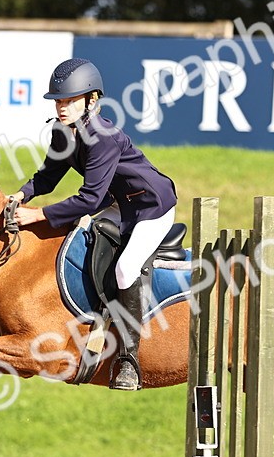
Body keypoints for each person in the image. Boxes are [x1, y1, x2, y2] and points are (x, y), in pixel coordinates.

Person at [10, 58, 178, 392]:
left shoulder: (103, 137)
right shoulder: (62, 133)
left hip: (151, 207)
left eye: (69, 100)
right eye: (58, 101)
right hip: (118, 202)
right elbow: (48, 176)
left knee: (125, 269)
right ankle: (95, 323)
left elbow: (88, 199)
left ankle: (128, 361)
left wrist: (39, 215)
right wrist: (21, 194)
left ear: (91, 100)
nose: (61, 107)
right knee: (83, 242)